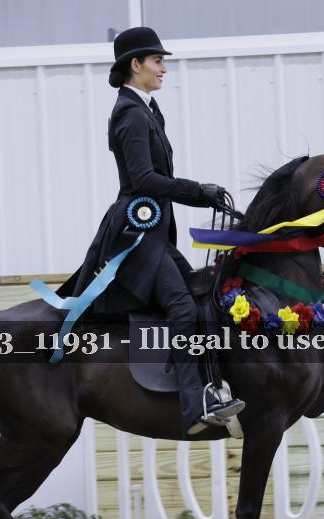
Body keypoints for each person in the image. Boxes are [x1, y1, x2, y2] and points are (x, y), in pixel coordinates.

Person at [57, 26, 243, 436]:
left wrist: (203, 198)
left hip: (154, 230)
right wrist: (198, 191)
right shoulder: (130, 112)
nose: (164, 69)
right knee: (182, 307)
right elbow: (143, 178)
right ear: (135, 65)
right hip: (137, 233)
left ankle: (213, 387)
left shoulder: (147, 110)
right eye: (158, 61)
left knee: (201, 298)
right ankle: (195, 407)